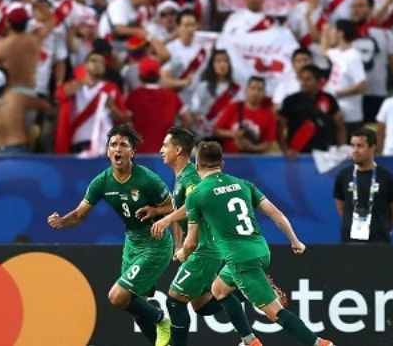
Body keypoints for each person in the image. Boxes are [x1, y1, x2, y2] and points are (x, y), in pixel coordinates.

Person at [177, 140, 337, 346]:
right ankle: (249, 341)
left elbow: (190, 242)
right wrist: (295, 241)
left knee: (275, 313)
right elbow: (276, 213)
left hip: (241, 261)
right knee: (219, 289)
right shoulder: (243, 184)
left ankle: (320, 343)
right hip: (261, 249)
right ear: (222, 164)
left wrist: (182, 254)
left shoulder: (197, 194)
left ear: (197, 164)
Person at [47, 124, 174, 346]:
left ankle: (162, 319)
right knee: (134, 307)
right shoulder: (102, 181)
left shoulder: (147, 179)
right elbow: (80, 214)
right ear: (107, 151)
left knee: (117, 297)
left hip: (156, 243)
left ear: (132, 152)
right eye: (113, 144)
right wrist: (63, 221)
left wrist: (155, 211)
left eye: (124, 145)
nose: (118, 149)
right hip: (132, 242)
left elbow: (174, 207)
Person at [139, 128, 262, 346]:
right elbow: (181, 212)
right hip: (198, 248)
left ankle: (247, 294)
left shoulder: (191, 176)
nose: (160, 150)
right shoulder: (180, 177)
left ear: (178, 150)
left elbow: (194, 205)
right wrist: (176, 240)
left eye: (165, 145)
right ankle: (248, 328)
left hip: (204, 248)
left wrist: (165, 221)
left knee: (175, 302)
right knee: (202, 305)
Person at [333, 128, 393, 242]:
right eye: (353, 146)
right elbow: (341, 209)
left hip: (379, 243)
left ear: (372, 148)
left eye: (360, 146)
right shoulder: (343, 175)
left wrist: (382, 228)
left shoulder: (387, 177)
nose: (355, 150)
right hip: (349, 243)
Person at [278, 64, 346, 158]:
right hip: (298, 155)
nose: (304, 83)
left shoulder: (329, 99)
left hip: (326, 154)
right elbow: (279, 129)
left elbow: (340, 127)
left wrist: (342, 148)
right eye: (302, 79)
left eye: (308, 79)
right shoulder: (290, 101)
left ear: (318, 82)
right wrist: (286, 150)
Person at [0, 67, 50, 153]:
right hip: (20, 150)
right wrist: (35, 126)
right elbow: (46, 106)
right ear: (7, 81)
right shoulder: (19, 99)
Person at [214, 76, 277, 154]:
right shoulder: (233, 107)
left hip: (254, 161)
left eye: (260, 89)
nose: (256, 92)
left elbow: (267, 144)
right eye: (252, 88)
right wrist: (234, 134)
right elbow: (216, 131)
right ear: (246, 90)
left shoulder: (269, 115)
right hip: (230, 159)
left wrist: (251, 148)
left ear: (264, 93)